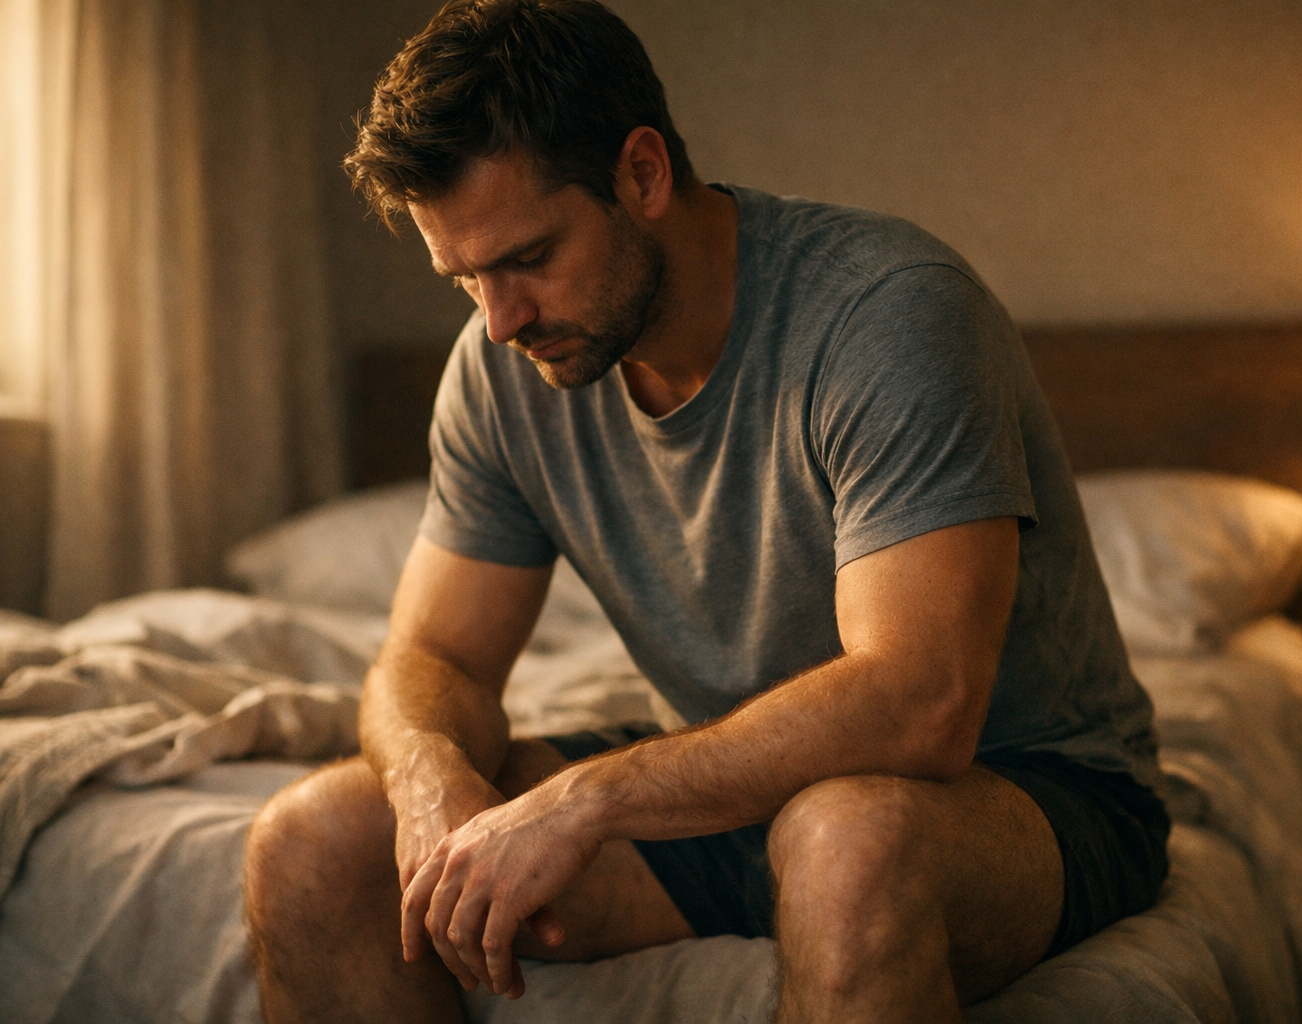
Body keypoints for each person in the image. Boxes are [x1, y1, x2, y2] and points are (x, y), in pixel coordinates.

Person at [242, 2, 1169, 1022]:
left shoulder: (887, 313)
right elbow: (436, 659)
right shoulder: (501, 372)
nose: (500, 320)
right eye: (465, 278)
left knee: (847, 841)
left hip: (1021, 792)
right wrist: (428, 779)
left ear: (642, 174)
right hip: (727, 786)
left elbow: (920, 702)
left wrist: (587, 799)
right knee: (312, 841)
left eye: (528, 258)